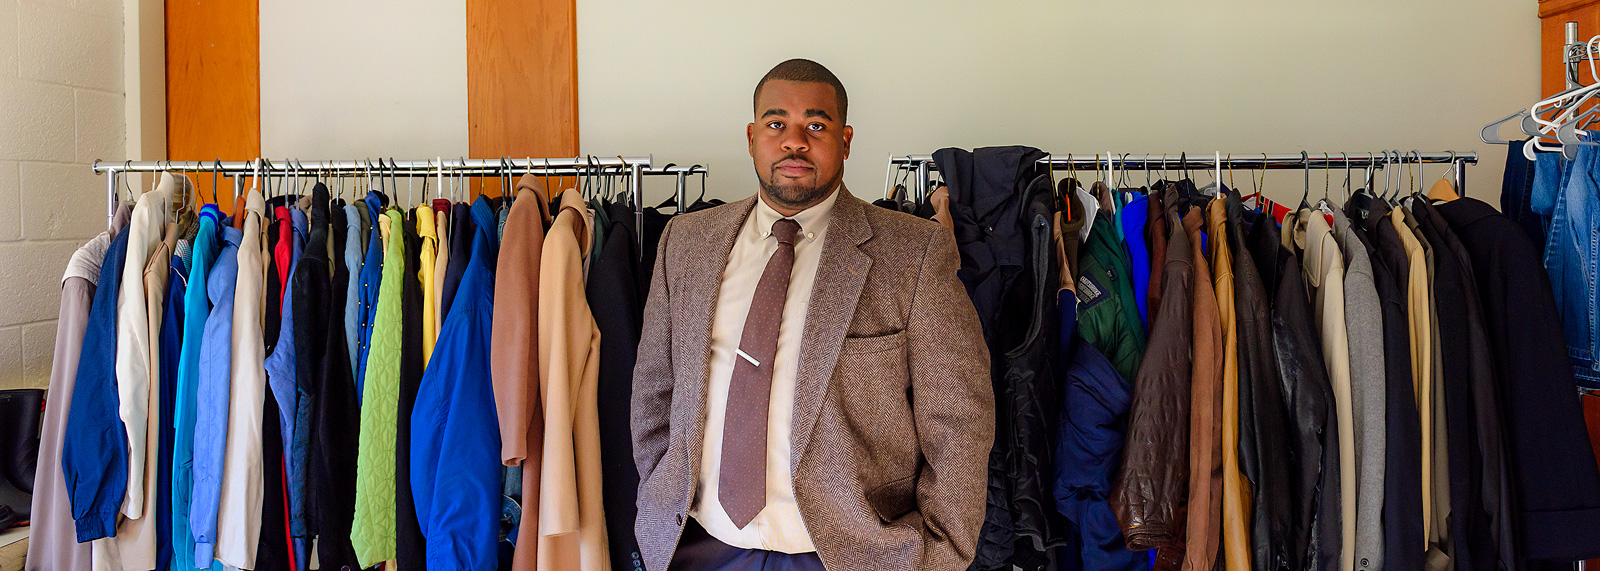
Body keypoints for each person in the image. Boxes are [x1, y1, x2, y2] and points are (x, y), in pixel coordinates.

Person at [630, 58, 994, 570]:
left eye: (815, 126)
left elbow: (959, 419)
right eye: (777, 124)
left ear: (845, 141)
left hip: (850, 554)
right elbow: (654, 389)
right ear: (752, 136)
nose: (794, 141)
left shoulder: (913, 253)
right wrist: (659, 486)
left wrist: (939, 554)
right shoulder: (687, 243)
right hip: (699, 546)